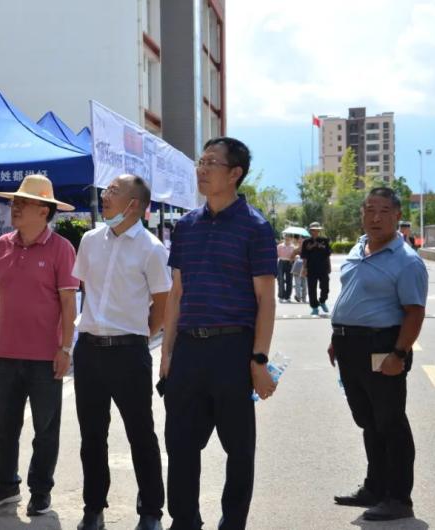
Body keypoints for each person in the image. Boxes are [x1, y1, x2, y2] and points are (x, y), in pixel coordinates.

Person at [160, 137, 277, 530]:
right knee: (179, 443)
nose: (202, 169)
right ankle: (185, 521)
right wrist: (167, 354)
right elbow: (177, 292)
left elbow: (265, 300)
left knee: (239, 448)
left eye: (212, 163)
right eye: (201, 161)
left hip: (233, 349)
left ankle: (233, 523)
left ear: (234, 174)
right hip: (189, 349)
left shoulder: (255, 227)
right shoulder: (185, 227)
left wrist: (259, 359)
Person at [0, 174, 79, 516]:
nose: (14, 207)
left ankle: (40, 490)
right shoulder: (2, 245)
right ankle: (7, 486)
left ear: (44, 210)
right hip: (7, 354)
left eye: (23, 202)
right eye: (14, 202)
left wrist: (65, 348)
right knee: (3, 428)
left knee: (45, 430)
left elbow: (68, 303)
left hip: (45, 357)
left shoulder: (62, 249)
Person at [72, 174, 171, 530]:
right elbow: (86, 288)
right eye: (106, 190)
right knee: (91, 436)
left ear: (134, 204)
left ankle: (151, 511)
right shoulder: (89, 240)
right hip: (89, 350)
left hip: (129, 353)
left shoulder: (151, 248)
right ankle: (93, 508)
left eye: (113, 191)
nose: (105, 196)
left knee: (140, 433)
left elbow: (162, 304)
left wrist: (139, 334)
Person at [329, 187, 427, 522]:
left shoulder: (407, 261)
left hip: (382, 346)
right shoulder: (359, 247)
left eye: (384, 211)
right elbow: (352, 294)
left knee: (390, 422)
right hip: (350, 346)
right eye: (369, 209)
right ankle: (375, 487)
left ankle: (398, 498)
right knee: (368, 421)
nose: (375, 217)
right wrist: (337, 336)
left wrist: (399, 353)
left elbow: (414, 312)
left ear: (397, 216)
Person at [301, 221, 331, 316]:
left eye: (317, 230)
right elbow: (304, 256)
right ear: (310, 231)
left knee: (325, 287)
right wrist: (304, 268)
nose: (315, 232)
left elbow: (328, 254)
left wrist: (329, 266)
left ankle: (322, 301)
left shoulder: (325, 240)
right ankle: (314, 307)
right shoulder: (306, 242)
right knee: (312, 289)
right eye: (313, 230)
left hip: (323, 268)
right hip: (311, 268)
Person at [276, 234, 295, 302]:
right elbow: (276, 255)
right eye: (286, 237)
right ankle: (281, 296)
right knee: (280, 279)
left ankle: (288, 296)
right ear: (284, 237)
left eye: (289, 237)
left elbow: (294, 256)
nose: (287, 238)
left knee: (289, 280)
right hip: (281, 262)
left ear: (291, 238)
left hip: (289, 263)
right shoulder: (280, 246)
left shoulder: (293, 247)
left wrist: (293, 258)